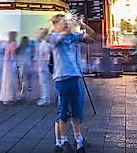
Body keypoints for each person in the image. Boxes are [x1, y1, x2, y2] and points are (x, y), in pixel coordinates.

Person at [49, 14, 95, 153]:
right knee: (62, 113)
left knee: (76, 111)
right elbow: (59, 38)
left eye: (66, 22)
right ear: (56, 25)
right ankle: (60, 141)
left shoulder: (73, 36)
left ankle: (78, 140)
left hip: (75, 77)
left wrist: (82, 24)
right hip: (61, 79)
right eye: (63, 22)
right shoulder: (53, 37)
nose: (66, 24)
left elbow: (91, 34)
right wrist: (67, 29)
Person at [0, 31, 20, 104]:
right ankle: (9, 97)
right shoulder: (14, 44)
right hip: (11, 63)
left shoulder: (8, 44)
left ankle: (5, 96)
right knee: (10, 82)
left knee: (6, 81)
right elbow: (13, 54)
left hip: (7, 63)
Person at [35, 28, 52, 106]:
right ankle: (45, 97)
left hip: (43, 66)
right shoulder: (45, 44)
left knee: (43, 83)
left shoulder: (44, 44)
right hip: (44, 66)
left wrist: (42, 66)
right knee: (45, 83)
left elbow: (45, 56)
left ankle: (45, 98)